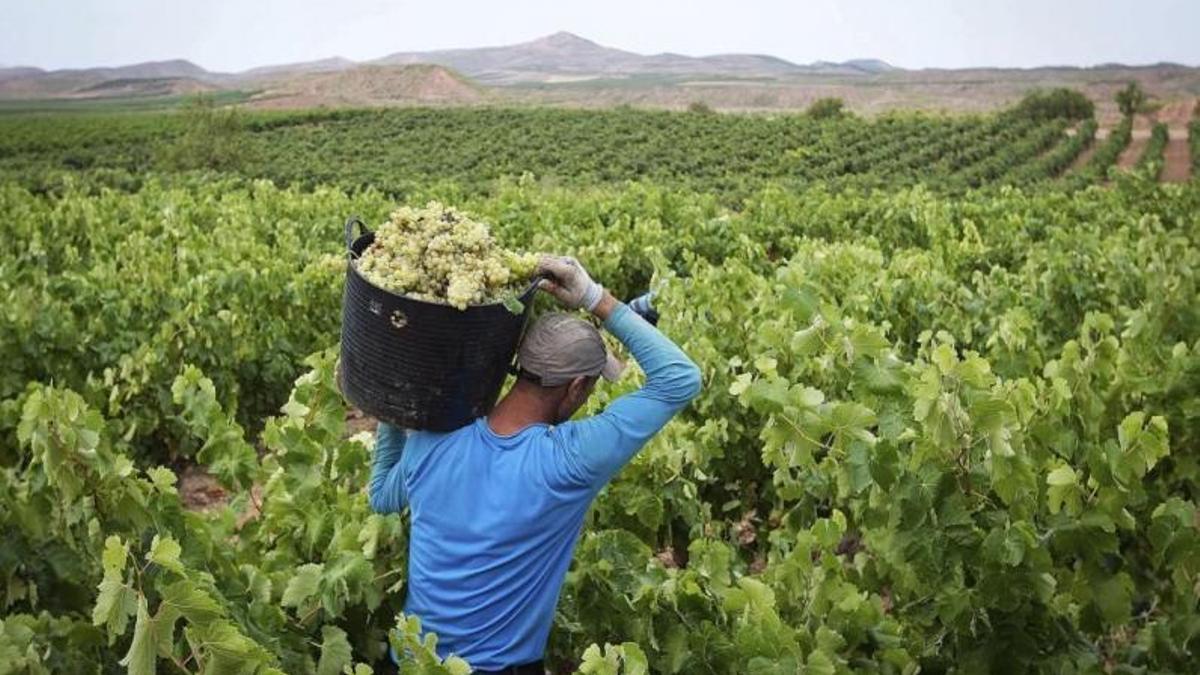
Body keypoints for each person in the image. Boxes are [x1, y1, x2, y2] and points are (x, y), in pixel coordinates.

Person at [367, 255, 702, 674]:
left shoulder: (438, 437)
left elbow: (381, 497)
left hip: (411, 664)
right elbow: (680, 379)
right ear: (577, 387)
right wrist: (592, 297)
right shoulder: (567, 462)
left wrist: (393, 412)